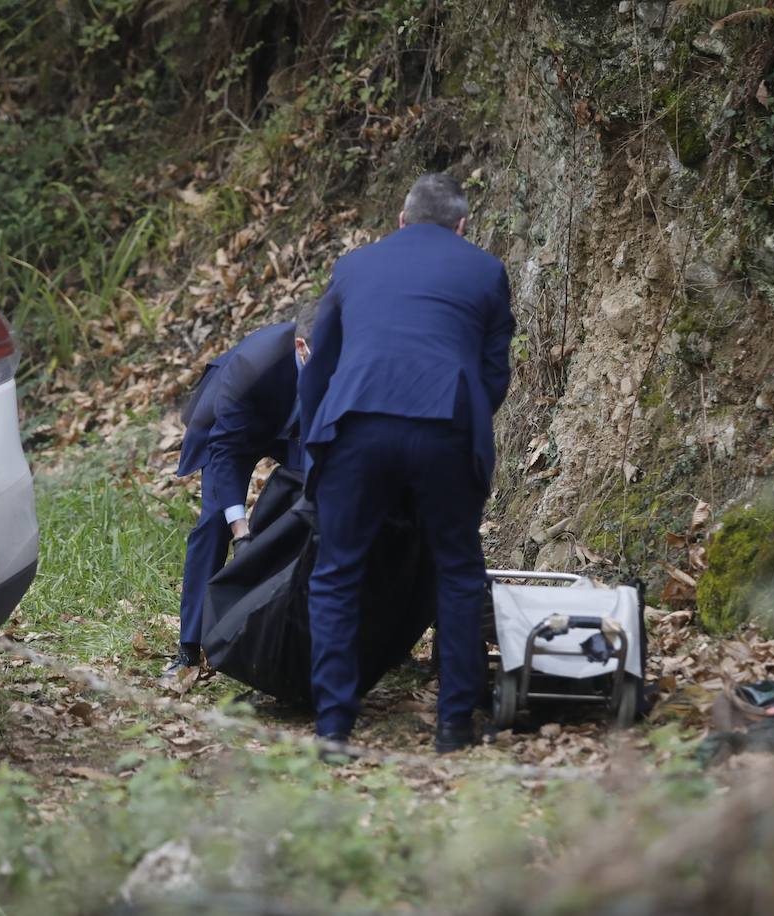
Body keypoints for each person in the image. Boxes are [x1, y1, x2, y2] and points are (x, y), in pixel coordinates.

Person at [300, 173, 515, 753]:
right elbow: (495, 374)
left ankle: (333, 726)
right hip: (445, 423)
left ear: (400, 219)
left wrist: (314, 445)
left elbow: (320, 367)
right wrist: (460, 424)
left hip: (356, 423)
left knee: (337, 571)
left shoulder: (354, 267)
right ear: (463, 225)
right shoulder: (486, 271)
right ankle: (452, 727)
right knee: (458, 570)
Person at [167, 300, 320, 680]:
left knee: (314, 503)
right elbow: (226, 451)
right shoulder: (254, 364)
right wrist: (241, 529)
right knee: (215, 522)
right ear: (302, 348)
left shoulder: (339, 354)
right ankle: (189, 646)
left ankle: (292, 626)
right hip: (236, 426)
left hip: (298, 430)